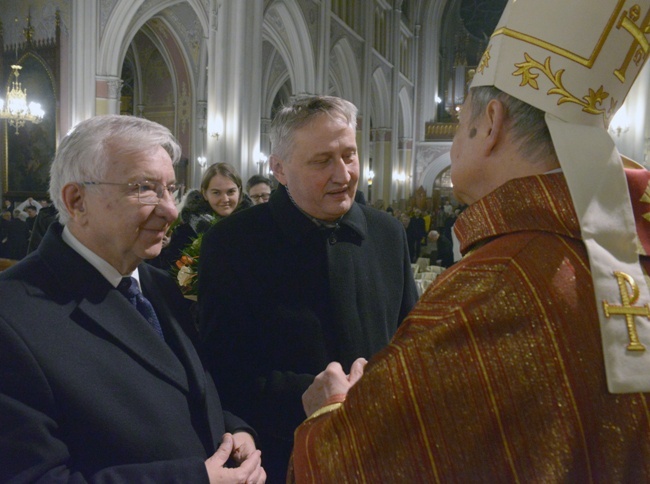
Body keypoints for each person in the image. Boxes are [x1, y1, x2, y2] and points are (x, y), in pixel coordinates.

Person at [290, 1, 650, 481]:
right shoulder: (621, 256)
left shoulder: (496, 285)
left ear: (490, 124)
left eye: (462, 120)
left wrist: (329, 409)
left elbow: (356, 462)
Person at [0, 114, 265, 482]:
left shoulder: (160, 287)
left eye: (171, 188)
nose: (171, 210)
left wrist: (234, 432)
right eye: (144, 188)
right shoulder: (13, 316)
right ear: (77, 200)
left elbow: (186, 392)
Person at [198, 95, 418, 482]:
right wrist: (309, 397)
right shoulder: (234, 242)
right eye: (322, 161)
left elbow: (409, 343)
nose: (344, 174)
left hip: (381, 450)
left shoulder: (387, 233)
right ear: (279, 169)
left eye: (349, 155)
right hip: (286, 453)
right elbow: (223, 371)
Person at [157, 162, 246, 270]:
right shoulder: (186, 231)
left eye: (231, 192)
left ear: (239, 191)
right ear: (205, 193)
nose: (225, 199)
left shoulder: (251, 224)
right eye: (216, 193)